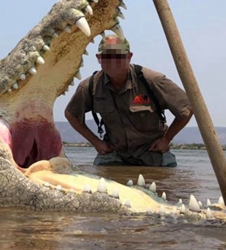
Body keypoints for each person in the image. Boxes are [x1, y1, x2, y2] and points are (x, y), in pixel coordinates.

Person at [65, 34, 193, 167]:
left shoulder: (151, 80)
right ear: (98, 58)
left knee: (168, 185)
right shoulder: (90, 86)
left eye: (119, 56)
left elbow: (187, 109)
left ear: (129, 57)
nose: (113, 62)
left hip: (153, 154)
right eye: (107, 57)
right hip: (114, 154)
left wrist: (167, 139)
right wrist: (96, 142)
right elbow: (71, 114)